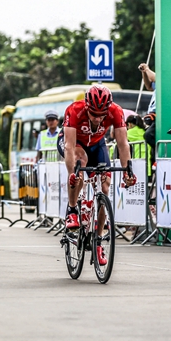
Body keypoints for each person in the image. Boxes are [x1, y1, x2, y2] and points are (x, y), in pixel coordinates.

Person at [60, 85, 137, 265]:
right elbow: (69, 147)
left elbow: (123, 144)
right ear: (86, 106)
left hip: (97, 144)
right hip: (75, 144)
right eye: (93, 113)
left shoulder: (115, 112)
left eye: (101, 114)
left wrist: (128, 170)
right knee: (81, 161)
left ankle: (98, 240)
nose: (97, 118)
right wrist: (72, 173)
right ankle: (72, 210)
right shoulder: (74, 110)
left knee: (105, 185)